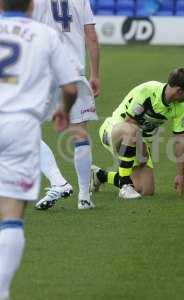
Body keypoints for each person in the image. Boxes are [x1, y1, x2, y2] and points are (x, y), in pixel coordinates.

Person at [0, 0, 78, 298]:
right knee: (11, 212)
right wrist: (64, 111)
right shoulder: (45, 35)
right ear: (32, 4)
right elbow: (70, 87)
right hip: (21, 128)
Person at [32, 0, 101, 210]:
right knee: (80, 133)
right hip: (74, 72)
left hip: (46, 72)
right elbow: (91, 36)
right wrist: (95, 74)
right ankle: (84, 197)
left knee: (26, 129)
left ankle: (58, 181)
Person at [90, 68, 184, 199]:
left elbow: (180, 141)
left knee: (145, 189)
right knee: (132, 130)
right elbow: (130, 122)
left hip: (136, 141)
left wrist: (181, 174)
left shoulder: (180, 107)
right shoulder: (148, 91)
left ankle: (100, 175)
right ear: (179, 91)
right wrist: (142, 149)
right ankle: (124, 186)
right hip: (114, 131)